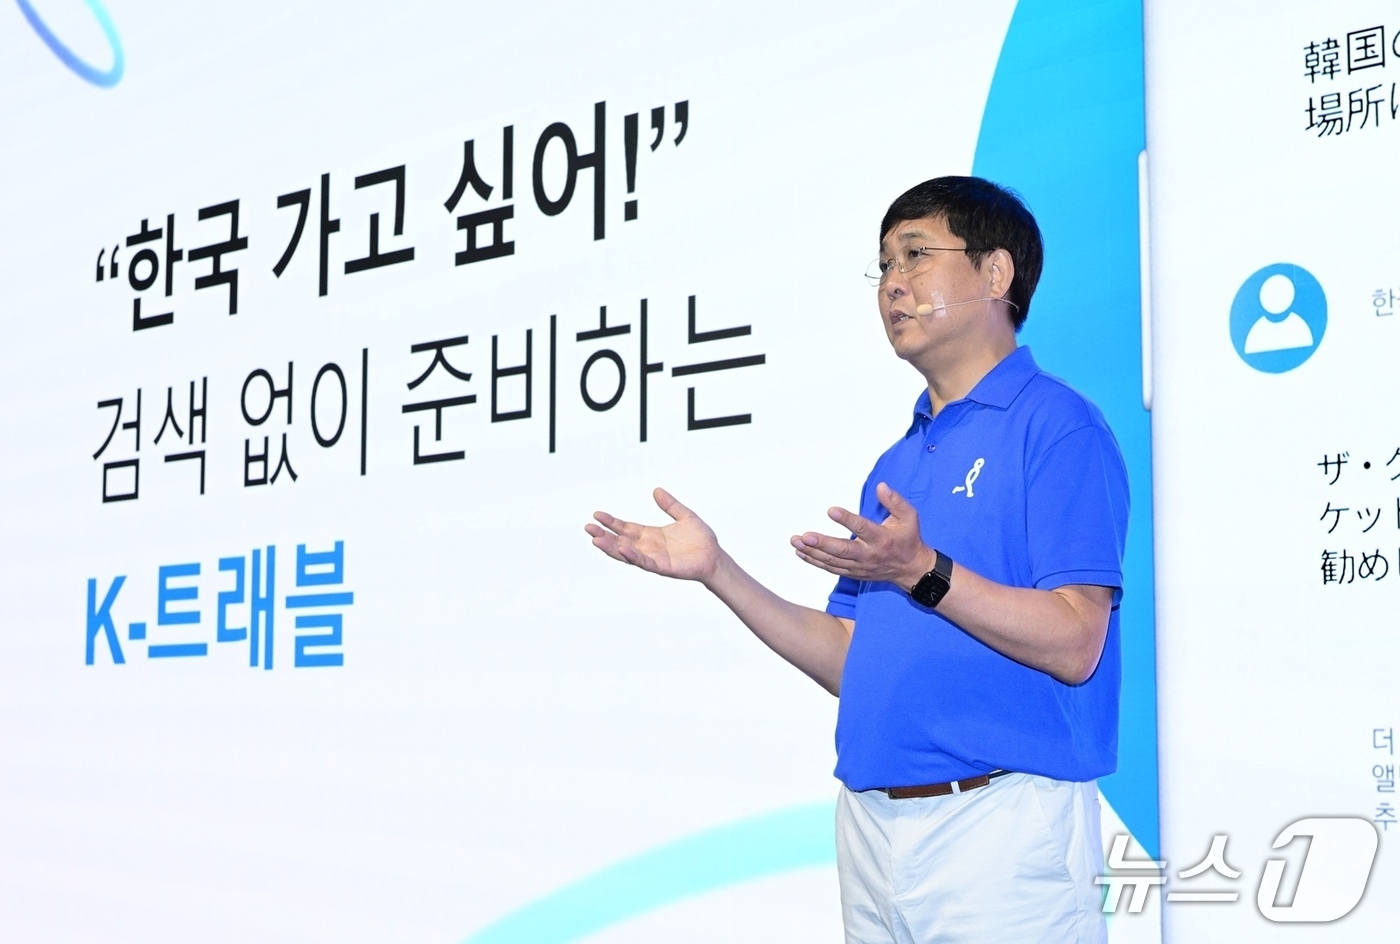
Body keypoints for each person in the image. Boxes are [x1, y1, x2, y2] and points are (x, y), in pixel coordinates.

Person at [585, 176, 1129, 943]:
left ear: (995, 272)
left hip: (1001, 826)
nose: (892, 285)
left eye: (915, 255)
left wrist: (923, 572)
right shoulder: (898, 462)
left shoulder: (1059, 426)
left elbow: (1076, 642)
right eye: (884, 266)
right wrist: (718, 572)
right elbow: (851, 655)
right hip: (871, 826)